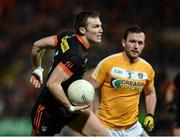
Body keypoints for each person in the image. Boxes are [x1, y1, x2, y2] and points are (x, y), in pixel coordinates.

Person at [29, 10, 108, 136]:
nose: (101, 30)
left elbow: (38, 45)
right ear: (83, 30)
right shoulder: (76, 56)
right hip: (49, 110)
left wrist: (37, 68)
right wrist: (70, 107)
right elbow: (53, 84)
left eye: (101, 26)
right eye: (96, 26)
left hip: (70, 105)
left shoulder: (67, 36)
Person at [88, 25, 157, 136]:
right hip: (106, 129)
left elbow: (150, 93)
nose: (136, 46)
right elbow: (87, 89)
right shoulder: (107, 63)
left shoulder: (147, 69)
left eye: (140, 43)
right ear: (124, 42)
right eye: (132, 41)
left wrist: (150, 115)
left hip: (134, 128)